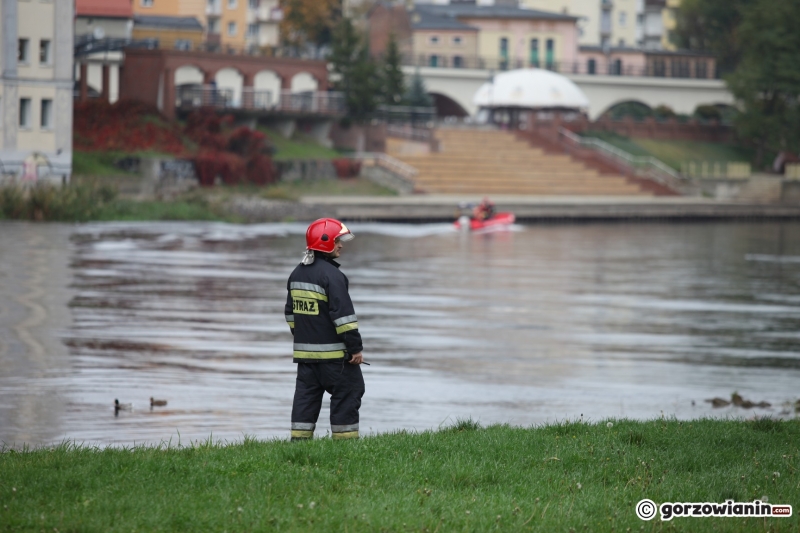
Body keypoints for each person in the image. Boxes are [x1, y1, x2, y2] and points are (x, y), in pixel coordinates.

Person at [285, 218, 364, 441]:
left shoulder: (296, 274)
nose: (341, 245)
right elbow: (344, 319)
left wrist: (304, 336)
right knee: (350, 390)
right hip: (335, 358)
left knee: (305, 399)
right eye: (338, 240)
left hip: (305, 358)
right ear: (325, 241)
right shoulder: (333, 276)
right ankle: (345, 445)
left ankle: (299, 443)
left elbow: (290, 314)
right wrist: (355, 349)